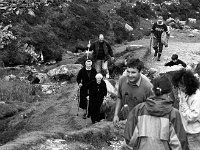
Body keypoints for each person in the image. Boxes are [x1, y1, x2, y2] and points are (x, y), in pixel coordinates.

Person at [123, 75, 189, 150]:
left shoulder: (138, 110)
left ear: (152, 90)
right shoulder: (173, 113)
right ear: (169, 92)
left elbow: (129, 140)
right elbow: (179, 144)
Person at [113, 58, 153, 126]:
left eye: (133, 72)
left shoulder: (148, 87)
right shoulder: (122, 80)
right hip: (126, 118)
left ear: (140, 72)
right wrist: (116, 115)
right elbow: (119, 97)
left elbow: (151, 109)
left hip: (141, 123)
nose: (130, 75)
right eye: (128, 71)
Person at [172, 69, 200, 150]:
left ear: (189, 84)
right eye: (179, 86)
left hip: (194, 133)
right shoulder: (184, 91)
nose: (180, 88)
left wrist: (184, 104)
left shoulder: (196, 97)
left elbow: (192, 117)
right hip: (185, 130)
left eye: (182, 86)